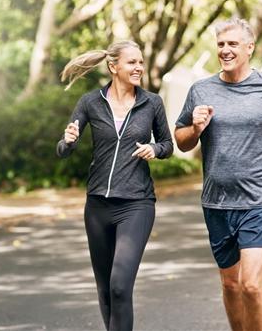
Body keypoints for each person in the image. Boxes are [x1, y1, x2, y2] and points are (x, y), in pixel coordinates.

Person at [174, 18, 262, 331]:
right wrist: (195, 128)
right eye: (221, 44)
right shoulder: (201, 90)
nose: (225, 50)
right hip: (217, 202)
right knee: (230, 286)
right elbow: (182, 141)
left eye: (233, 44)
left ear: (250, 48)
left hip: (261, 198)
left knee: (251, 284)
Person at [56, 40, 173, 331]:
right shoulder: (90, 102)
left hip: (136, 204)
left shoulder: (152, 103)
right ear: (114, 67)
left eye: (141, 62)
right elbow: (63, 148)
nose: (139, 68)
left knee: (120, 286)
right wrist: (68, 141)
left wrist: (154, 150)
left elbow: (168, 144)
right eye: (132, 62)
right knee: (106, 290)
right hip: (97, 206)